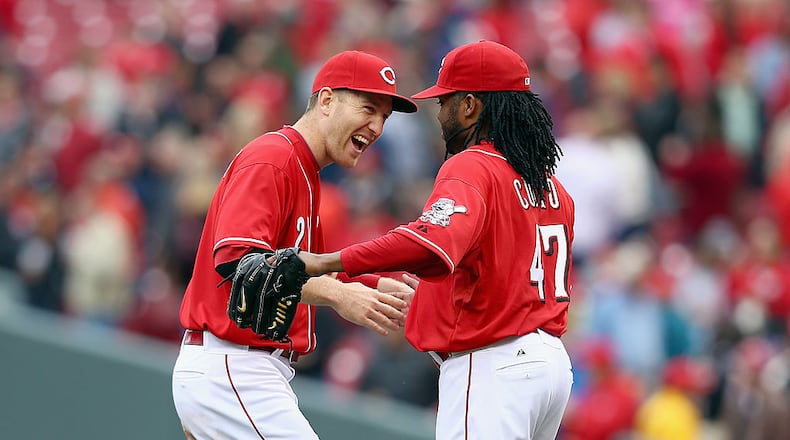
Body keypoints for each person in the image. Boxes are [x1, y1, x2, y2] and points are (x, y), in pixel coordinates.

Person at [294, 40, 576, 440]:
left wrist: (324, 262)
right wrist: (431, 300)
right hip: (548, 368)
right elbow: (500, 278)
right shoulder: (552, 186)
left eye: (445, 101)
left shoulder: (474, 165)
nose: (439, 112)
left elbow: (429, 244)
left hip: (495, 366)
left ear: (470, 106)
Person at [171, 50, 418, 440]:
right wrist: (339, 295)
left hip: (247, 369)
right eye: (368, 108)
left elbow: (304, 267)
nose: (376, 127)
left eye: (383, 118)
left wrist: (370, 288)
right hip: (234, 363)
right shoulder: (273, 158)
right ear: (326, 100)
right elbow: (242, 265)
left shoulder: (304, 169)